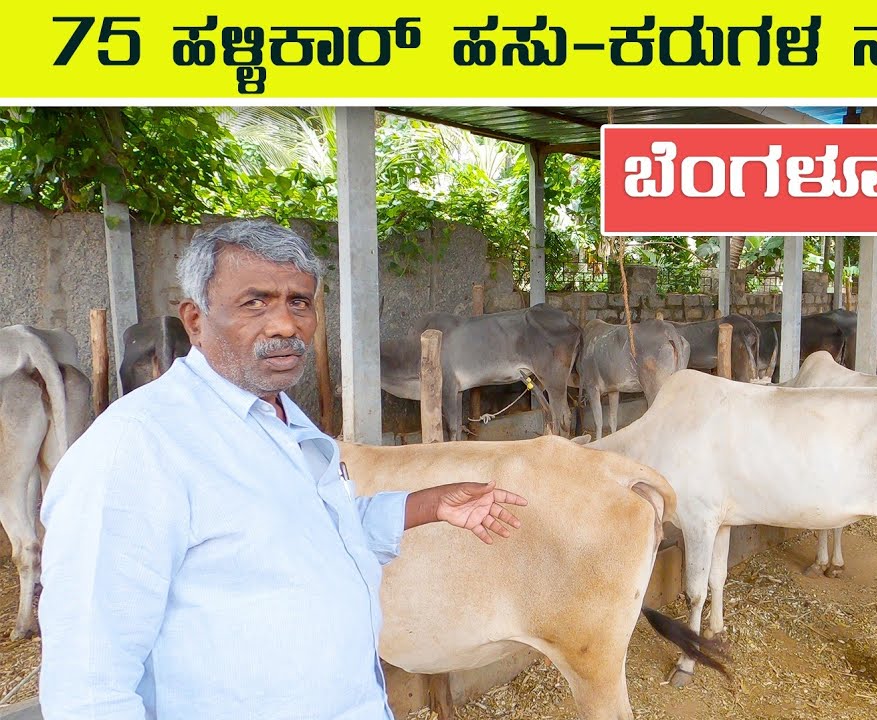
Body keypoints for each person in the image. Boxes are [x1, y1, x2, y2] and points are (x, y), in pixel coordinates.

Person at [38, 219, 528, 719]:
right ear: (194, 320)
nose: (286, 325)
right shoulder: (137, 446)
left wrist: (428, 503)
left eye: (299, 302)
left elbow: (309, 530)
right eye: (256, 302)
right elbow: (89, 683)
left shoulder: (279, 418)